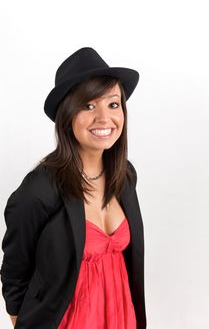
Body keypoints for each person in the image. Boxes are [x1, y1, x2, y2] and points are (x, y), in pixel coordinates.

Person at [0, 47, 147, 328]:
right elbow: (14, 272)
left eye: (113, 104)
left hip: (120, 317)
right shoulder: (39, 189)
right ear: (67, 116)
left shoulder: (125, 176)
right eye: (88, 105)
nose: (104, 118)